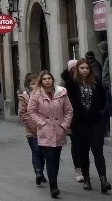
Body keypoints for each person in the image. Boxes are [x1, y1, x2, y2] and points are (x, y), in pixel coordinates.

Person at [65, 59, 111, 192]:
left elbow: (103, 99)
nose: (85, 70)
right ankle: (86, 178)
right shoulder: (72, 84)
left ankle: (103, 179)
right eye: (82, 68)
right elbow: (68, 101)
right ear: (77, 70)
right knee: (83, 151)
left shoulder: (96, 82)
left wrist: (99, 111)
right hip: (80, 122)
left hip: (95, 120)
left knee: (98, 150)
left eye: (87, 68)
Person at [27, 70, 73, 199]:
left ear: (53, 80)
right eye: (45, 79)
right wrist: (41, 123)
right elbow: (31, 111)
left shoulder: (62, 93)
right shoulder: (36, 94)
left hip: (59, 129)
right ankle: (54, 187)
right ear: (41, 81)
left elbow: (69, 111)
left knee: (56, 158)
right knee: (50, 158)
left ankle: (54, 181)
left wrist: (64, 125)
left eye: (49, 78)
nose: (47, 80)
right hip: (45, 130)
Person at [17, 73, 46, 186]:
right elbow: (22, 114)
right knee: (36, 150)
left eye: (36, 83)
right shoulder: (24, 97)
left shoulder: (44, 94)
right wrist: (33, 125)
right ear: (28, 85)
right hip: (32, 131)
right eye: (32, 83)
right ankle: (38, 171)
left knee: (43, 152)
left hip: (44, 129)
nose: (35, 85)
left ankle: (41, 172)